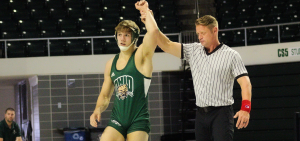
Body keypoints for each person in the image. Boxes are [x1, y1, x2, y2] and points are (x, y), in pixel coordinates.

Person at [156, 15, 252, 141]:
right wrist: (149, 18)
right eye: (198, 33)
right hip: (201, 114)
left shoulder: (231, 55)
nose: (199, 37)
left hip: (221, 113)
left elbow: (245, 83)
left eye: (203, 33)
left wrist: (245, 109)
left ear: (215, 30)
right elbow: (166, 45)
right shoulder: (194, 50)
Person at [89, 0, 159, 141]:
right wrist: (97, 109)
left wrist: (145, 11)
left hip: (138, 120)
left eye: (127, 35)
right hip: (117, 120)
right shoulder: (111, 64)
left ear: (134, 38)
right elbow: (105, 95)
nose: (122, 38)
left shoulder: (141, 56)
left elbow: (153, 32)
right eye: (120, 34)